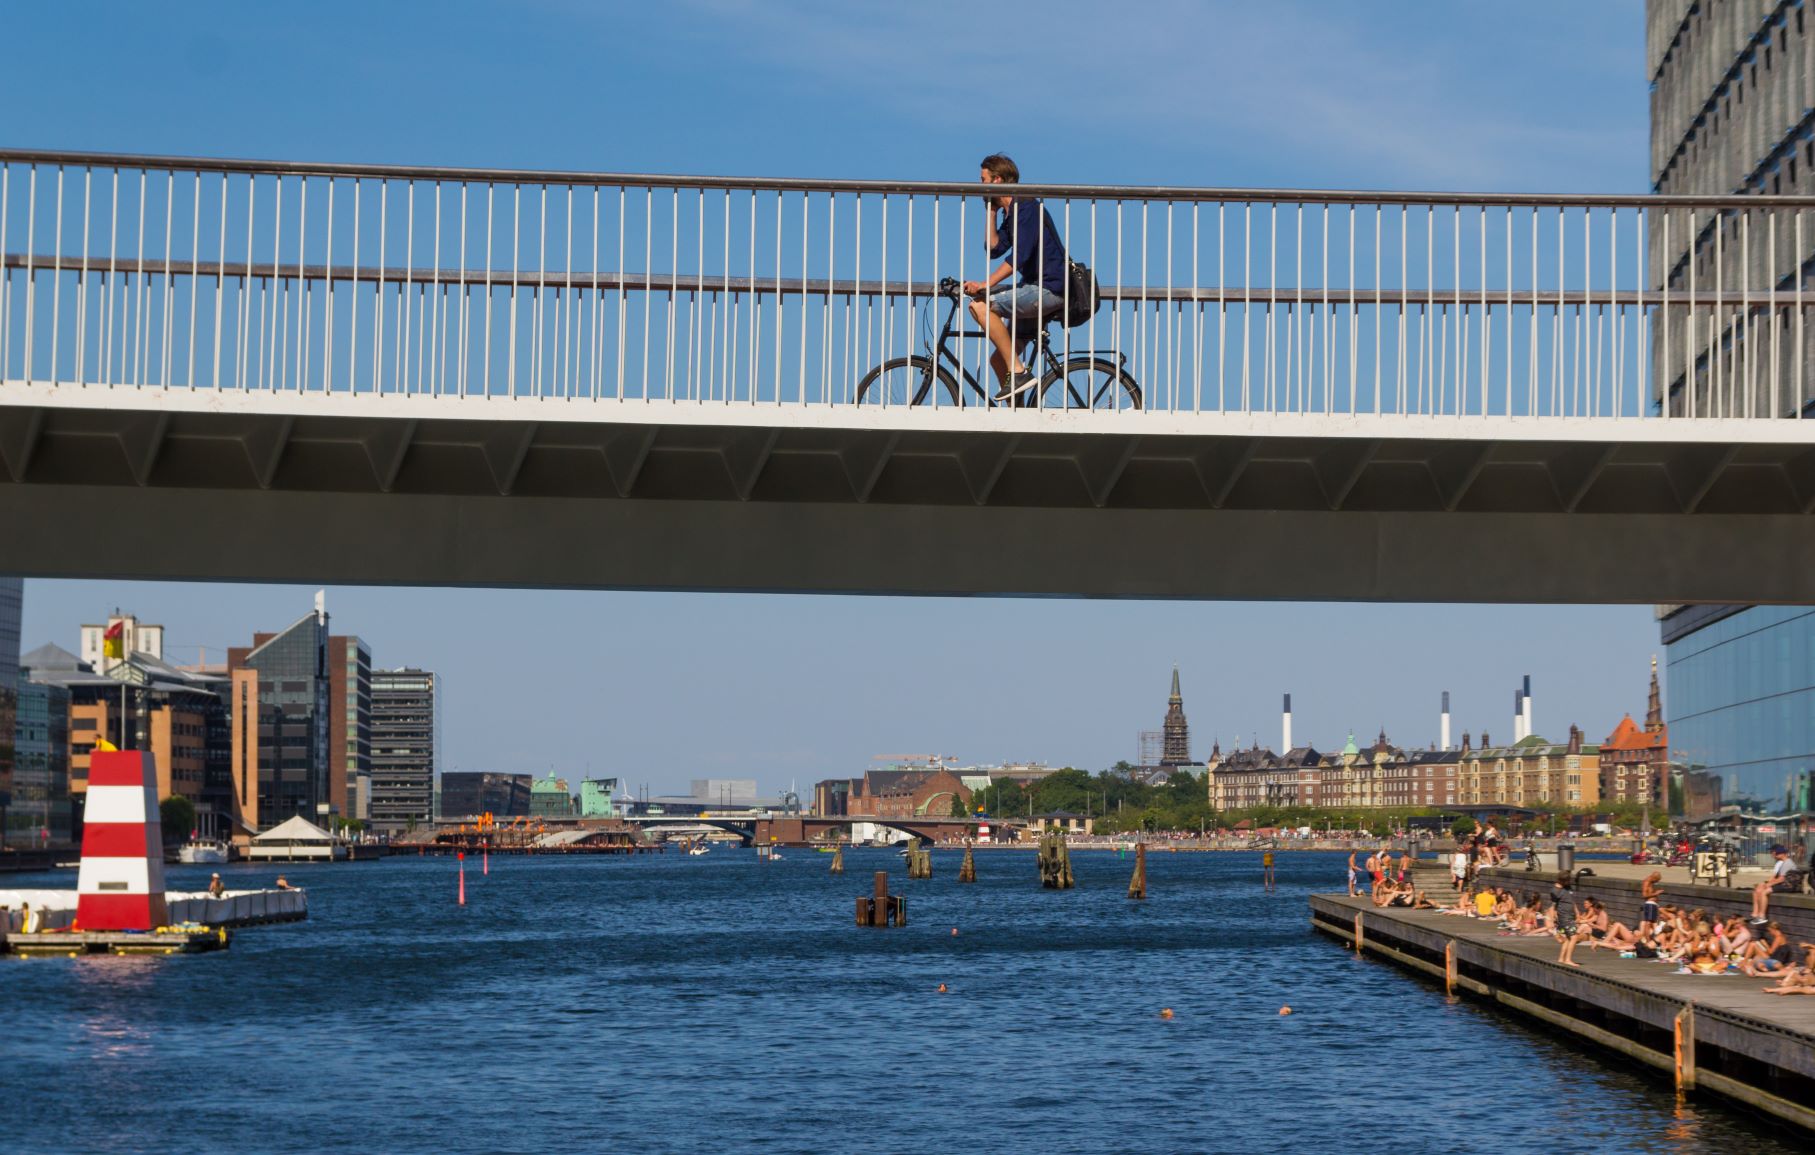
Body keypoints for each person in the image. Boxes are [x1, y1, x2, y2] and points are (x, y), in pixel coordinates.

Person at [964, 153, 1069, 400]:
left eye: (983, 180)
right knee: (998, 360)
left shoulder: (1026, 206)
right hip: (1033, 288)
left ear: (997, 180)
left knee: (980, 307)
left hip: (1049, 288)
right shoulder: (1010, 212)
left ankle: (1019, 371)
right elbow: (994, 249)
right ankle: (1017, 410)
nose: (978, 185)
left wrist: (986, 284)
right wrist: (990, 212)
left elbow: (1019, 257)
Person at [1752, 845, 1793, 921]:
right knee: (1759, 889)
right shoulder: (1783, 862)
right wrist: (1766, 884)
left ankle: (1762, 916)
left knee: (1764, 892)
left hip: (1788, 885)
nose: (1771, 854)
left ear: (1779, 853)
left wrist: (1768, 884)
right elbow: (1776, 877)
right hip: (1785, 884)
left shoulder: (1787, 863)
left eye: (1773, 852)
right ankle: (1756, 914)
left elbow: (1781, 879)